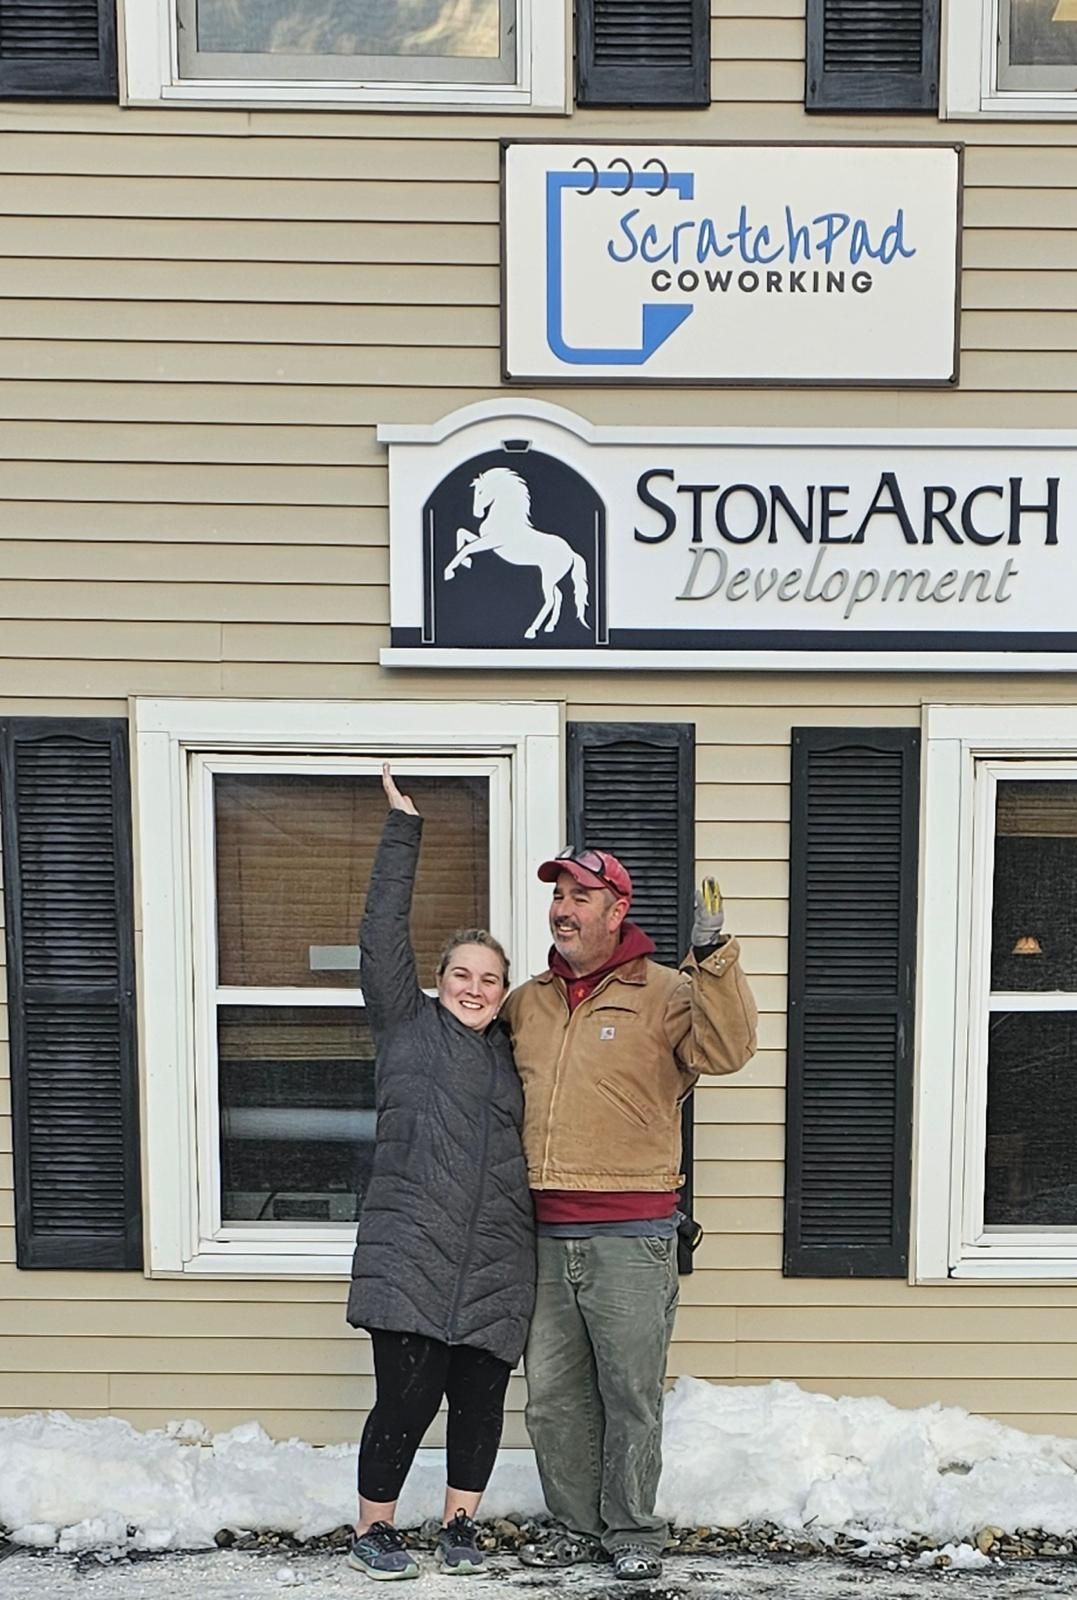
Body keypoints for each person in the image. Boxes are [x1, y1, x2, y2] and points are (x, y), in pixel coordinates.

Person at [501, 847, 757, 1581]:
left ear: (617, 911)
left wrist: (712, 956)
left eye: (581, 895)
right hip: (544, 1231)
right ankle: (577, 1526)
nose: (563, 908)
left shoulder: (667, 991)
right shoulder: (530, 1000)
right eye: (557, 895)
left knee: (629, 1395)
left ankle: (633, 1530)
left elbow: (729, 1047)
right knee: (552, 1399)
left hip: (631, 1234)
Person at [345, 766, 535, 1580]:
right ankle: (374, 1531)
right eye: (462, 973)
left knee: (480, 1400)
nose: (475, 988)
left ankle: (460, 1525)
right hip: (412, 1248)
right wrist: (403, 830)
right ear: (439, 980)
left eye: (490, 979)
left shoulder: (514, 1055)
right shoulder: (406, 1028)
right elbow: (381, 930)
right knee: (407, 1398)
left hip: (496, 1252)